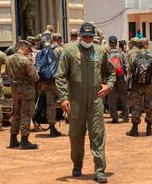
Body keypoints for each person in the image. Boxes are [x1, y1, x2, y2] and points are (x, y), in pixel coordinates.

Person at [56, 22, 116, 183]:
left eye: (90, 36)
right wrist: (63, 97)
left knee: (97, 135)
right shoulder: (69, 51)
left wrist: (109, 86)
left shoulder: (100, 51)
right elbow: (60, 76)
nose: (88, 39)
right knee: (76, 137)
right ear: (80, 35)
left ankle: (99, 171)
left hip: (95, 100)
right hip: (75, 101)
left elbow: (111, 72)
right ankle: (77, 165)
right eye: (85, 36)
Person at [6, 40, 39, 149]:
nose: (29, 52)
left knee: (16, 114)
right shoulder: (25, 60)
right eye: (29, 50)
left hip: (15, 91)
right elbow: (35, 77)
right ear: (25, 48)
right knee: (26, 114)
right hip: (27, 92)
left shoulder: (8, 59)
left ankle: (13, 139)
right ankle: (25, 140)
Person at [126, 38, 152, 136]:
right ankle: (149, 129)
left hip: (136, 86)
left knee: (136, 106)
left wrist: (128, 85)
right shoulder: (151, 56)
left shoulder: (133, 56)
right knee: (149, 106)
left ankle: (135, 130)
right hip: (148, 85)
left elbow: (128, 72)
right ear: (145, 45)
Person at [42, 33, 63, 137]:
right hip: (59, 81)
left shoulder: (45, 50)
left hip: (48, 81)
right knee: (68, 101)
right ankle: (74, 127)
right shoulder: (61, 50)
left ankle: (52, 129)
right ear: (59, 39)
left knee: (51, 105)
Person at [107, 36, 129, 123]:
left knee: (112, 99)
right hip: (121, 78)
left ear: (109, 43)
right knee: (123, 97)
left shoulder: (107, 53)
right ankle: (125, 117)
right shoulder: (121, 53)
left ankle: (115, 117)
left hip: (110, 79)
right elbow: (126, 67)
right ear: (116, 43)